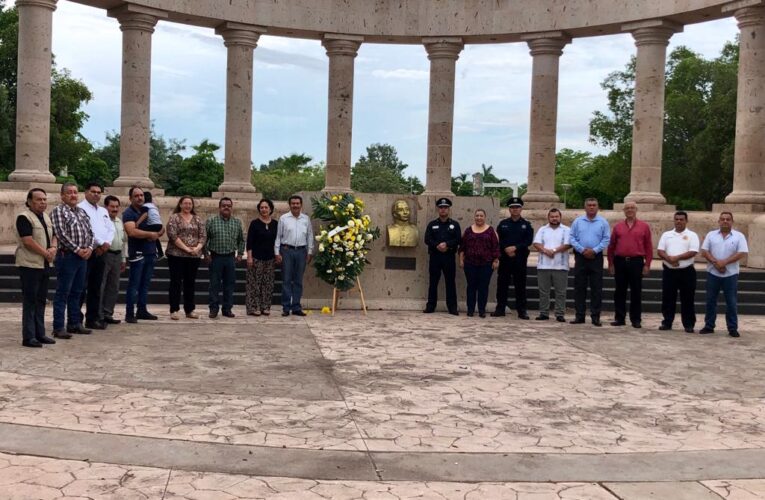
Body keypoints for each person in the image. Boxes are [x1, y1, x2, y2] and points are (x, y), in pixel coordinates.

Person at [14, 188, 57, 347]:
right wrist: (46, 253)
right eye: (39, 200)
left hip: (44, 264)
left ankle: (40, 333)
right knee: (30, 300)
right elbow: (27, 240)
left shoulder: (45, 216)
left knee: (41, 300)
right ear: (30, 201)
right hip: (29, 264)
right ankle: (29, 336)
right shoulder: (24, 217)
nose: (43, 202)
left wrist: (53, 248)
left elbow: (54, 234)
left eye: (44, 199)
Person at [51, 182, 95, 337]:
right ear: (62, 195)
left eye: (75, 192)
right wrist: (77, 250)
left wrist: (89, 248)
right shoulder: (58, 211)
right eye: (69, 192)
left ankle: (74, 323)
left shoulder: (82, 212)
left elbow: (90, 231)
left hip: (83, 257)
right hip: (67, 256)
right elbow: (61, 233)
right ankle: (58, 327)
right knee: (63, 292)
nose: (73, 195)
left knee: (77, 292)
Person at [700, 212, 749, 337]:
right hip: (713, 273)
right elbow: (704, 251)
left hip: (731, 274)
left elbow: (742, 252)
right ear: (719, 221)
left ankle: (732, 328)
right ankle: (709, 326)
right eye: (722, 219)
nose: (725, 221)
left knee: (731, 302)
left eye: (728, 219)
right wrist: (716, 263)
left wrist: (724, 263)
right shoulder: (711, 235)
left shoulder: (739, 236)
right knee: (711, 301)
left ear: (732, 221)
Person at [606, 201, 652, 329]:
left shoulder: (644, 226)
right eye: (627, 208)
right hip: (620, 261)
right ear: (624, 211)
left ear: (636, 210)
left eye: (632, 208)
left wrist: (647, 264)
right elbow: (611, 247)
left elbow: (648, 247)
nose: (630, 210)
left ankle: (636, 319)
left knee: (636, 291)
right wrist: (610, 263)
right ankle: (620, 318)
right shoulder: (618, 227)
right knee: (619, 291)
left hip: (636, 262)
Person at [123, 186, 164, 323]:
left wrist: (158, 233)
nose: (140, 198)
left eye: (141, 195)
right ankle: (129, 313)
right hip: (138, 253)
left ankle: (142, 310)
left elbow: (160, 226)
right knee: (134, 284)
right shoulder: (129, 213)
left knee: (145, 284)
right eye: (136, 196)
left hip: (150, 252)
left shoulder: (150, 210)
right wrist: (150, 234)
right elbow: (131, 231)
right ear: (130, 198)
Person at [78, 181, 114, 330]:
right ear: (86, 192)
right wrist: (99, 243)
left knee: (96, 286)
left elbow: (110, 228)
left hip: (102, 252)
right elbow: (88, 229)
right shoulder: (80, 208)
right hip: (87, 251)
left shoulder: (103, 211)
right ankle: (76, 319)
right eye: (93, 191)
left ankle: (93, 318)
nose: (96, 194)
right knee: (81, 287)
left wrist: (107, 243)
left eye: (99, 192)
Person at [569, 198, 610, 326]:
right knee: (579, 287)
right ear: (585, 207)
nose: (592, 207)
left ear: (598, 207)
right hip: (581, 257)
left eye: (594, 205)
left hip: (596, 257)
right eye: (589, 205)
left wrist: (594, 250)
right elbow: (572, 238)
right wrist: (582, 250)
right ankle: (579, 316)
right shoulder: (578, 221)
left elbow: (606, 239)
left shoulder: (603, 222)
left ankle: (595, 316)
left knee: (596, 288)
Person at [657, 211, 699, 333]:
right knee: (668, 298)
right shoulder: (666, 235)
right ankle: (667, 322)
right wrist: (669, 259)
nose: (679, 221)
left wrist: (677, 258)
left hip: (687, 272)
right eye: (677, 219)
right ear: (674, 221)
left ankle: (689, 324)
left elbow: (693, 251)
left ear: (686, 221)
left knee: (687, 299)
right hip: (669, 271)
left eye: (681, 219)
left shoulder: (692, 235)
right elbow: (660, 251)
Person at [492, 197, 533, 319]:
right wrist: (506, 249)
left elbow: (528, 241)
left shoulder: (526, 225)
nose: (515, 209)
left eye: (517, 207)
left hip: (519, 259)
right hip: (505, 259)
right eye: (512, 207)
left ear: (521, 209)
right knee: (502, 285)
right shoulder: (503, 224)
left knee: (520, 285)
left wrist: (515, 248)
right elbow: (498, 240)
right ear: (509, 209)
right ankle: (500, 309)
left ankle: (522, 311)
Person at [166, 196, 206, 320]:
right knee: (176, 282)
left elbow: (203, 235)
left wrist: (197, 248)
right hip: (176, 255)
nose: (188, 206)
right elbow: (172, 235)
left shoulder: (198, 219)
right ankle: (174, 309)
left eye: (190, 204)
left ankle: (190, 309)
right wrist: (186, 248)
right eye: (185, 203)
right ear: (180, 205)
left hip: (194, 256)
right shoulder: (174, 218)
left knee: (190, 283)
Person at [205, 197, 245, 319]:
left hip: (230, 258)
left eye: (229, 205)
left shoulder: (237, 222)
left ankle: (227, 309)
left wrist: (240, 254)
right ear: (219, 207)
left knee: (229, 285)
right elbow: (205, 239)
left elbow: (241, 240)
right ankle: (213, 309)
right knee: (214, 285)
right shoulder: (211, 221)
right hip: (215, 257)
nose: (226, 207)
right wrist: (206, 254)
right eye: (224, 205)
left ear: (232, 208)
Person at [274, 195, 314, 316]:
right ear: (289, 205)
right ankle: (286, 307)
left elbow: (310, 236)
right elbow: (278, 237)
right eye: (293, 203)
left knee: (298, 281)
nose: (295, 205)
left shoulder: (306, 219)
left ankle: (296, 307)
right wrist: (277, 252)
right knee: (286, 280)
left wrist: (310, 251)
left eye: (297, 203)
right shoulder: (283, 218)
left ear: (301, 205)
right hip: (287, 251)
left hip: (301, 252)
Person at [423, 198, 461, 315]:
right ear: (438, 209)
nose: (443, 210)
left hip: (449, 257)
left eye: (445, 207)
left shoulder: (454, 224)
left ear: (449, 209)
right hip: (435, 257)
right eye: (441, 207)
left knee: (450, 282)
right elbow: (427, 239)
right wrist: (437, 245)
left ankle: (452, 307)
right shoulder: (432, 224)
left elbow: (458, 239)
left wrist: (447, 244)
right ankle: (430, 306)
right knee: (433, 282)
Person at [532, 208, 571, 322]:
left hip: (561, 265)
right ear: (548, 218)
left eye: (556, 216)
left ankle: (559, 313)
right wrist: (545, 251)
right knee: (544, 291)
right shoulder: (543, 229)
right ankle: (544, 313)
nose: (554, 218)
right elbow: (536, 243)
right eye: (552, 217)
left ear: (560, 217)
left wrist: (553, 250)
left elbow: (568, 244)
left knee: (561, 292)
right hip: (544, 265)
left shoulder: (567, 230)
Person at [459, 209, 499, 317]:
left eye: (481, 215)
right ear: (474, 217)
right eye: (477, 215)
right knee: (471, 286)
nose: (479, 218)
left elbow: (495, 247)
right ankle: (470, 309)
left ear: (485, 217)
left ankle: (482, 310)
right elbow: (462, 247)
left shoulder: (490, 231)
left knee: (483, 287)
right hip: (470, 264)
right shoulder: (468, 230)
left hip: (486, 264)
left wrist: (496, 260)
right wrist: (461, 260)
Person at [246, 199, 278, 316]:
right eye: (262, 207)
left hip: (270, 258)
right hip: (256, 258)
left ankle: (265, 307)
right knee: (254, 284)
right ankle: (253, 307)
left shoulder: (275, 224)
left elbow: (278, 241)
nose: (264, 209)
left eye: (266, 207)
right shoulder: (254, 223)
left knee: (268, 284)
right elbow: (249, 242)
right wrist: (249, 257)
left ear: (270, 209)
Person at [99, 195, 126, 325]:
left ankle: (108, 313)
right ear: (106, 207)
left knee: (114, 286)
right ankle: (98, 314)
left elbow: (123, 241)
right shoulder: (102, 221)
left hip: (117, 255)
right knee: (101, 285)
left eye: (116, 206)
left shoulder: (119, 222)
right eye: (112, 206)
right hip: (105, 254)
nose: (114, 209)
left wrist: (124, 258)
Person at [141, 191, 165, 259]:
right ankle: (160, 252)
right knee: (155, 238)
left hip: (151, 224)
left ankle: (145, 251)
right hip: (159, 225)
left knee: (142, 233)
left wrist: (137, 223)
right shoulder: (154, 206)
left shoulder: (145, 206)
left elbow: (145, 215)